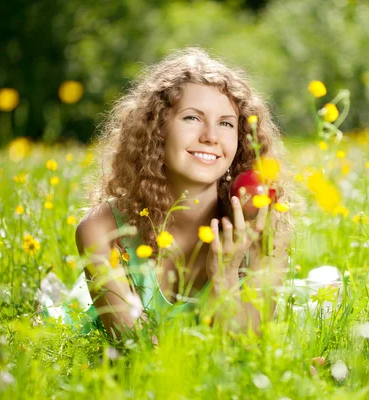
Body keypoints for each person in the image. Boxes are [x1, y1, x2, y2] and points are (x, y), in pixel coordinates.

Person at [75, 47, 296, 341]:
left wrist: (225, 279)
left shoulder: (264, 230)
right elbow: (137, 351)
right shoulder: (102, 230)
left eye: (226, 123)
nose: (211, 136)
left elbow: (247, 354)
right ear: (157, 129)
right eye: (192, 118)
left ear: (241, 139)